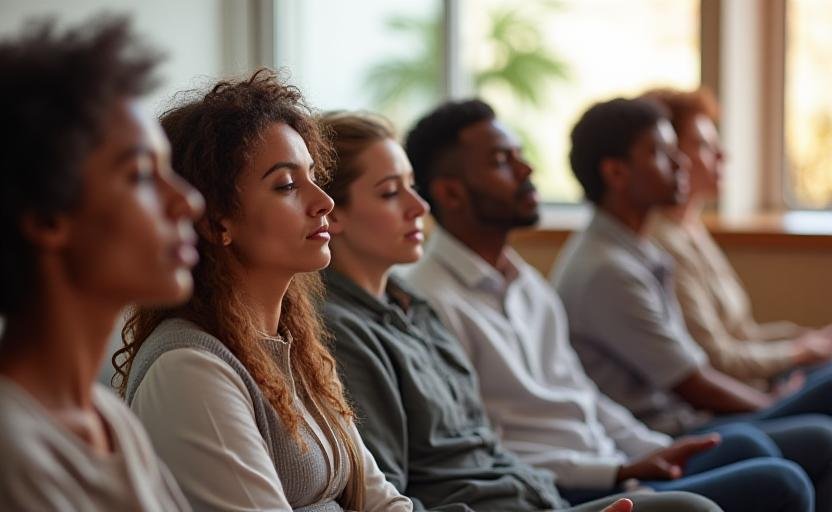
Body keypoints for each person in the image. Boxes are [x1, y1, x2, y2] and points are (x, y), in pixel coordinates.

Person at [399, 100, 817, 512]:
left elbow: (584, 395)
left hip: (612, 461)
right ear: (450, 193)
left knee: (752, 447)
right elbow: (482, 447)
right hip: (564, 487)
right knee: (783, 478)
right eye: (501, 161)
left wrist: (656, 451)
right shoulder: (430, 300)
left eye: (520, 155)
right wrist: (616, 471)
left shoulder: (526, 282)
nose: (526, 170)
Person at [318, 111, 722, 512]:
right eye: (391, 192)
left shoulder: (414, 307)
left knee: (743, 470)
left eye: (411, 187)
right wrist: (612, 474)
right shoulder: (370, 321)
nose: (417, 206)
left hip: (539, 490)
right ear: (333, 214)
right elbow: (391, 490)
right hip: (541, 491)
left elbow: (494, 440)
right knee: (716, 498)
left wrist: (627, 466)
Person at [113, 72, 411, 511]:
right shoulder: (189, 370)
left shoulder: (297, 347)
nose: (323, 201)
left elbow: (382, 500)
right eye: (287, 185)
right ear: (217, 222)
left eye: (313, 175)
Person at [552, 96, 832, 509]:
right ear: (615, 172)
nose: (680, 163)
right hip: (663, 432)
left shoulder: (637, 249)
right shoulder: (607, 268)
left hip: (679, 422)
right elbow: (695, 382)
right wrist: (777, 402)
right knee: (816, 429)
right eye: (663, 155)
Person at [0, 17, 199, 510]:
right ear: (47, 217)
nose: (188, 202)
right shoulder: (13, 455)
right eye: (139, 176)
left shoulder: (111, 422)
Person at [641, 87, 832, 385]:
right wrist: (800, 352)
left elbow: (742, 334)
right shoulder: (661, 242)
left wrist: (806, 337)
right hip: (742, 394)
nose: (722, 155)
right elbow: (716, 358)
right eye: (704, 145)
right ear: (669, 154)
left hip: (755, 380)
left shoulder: (691, 228)